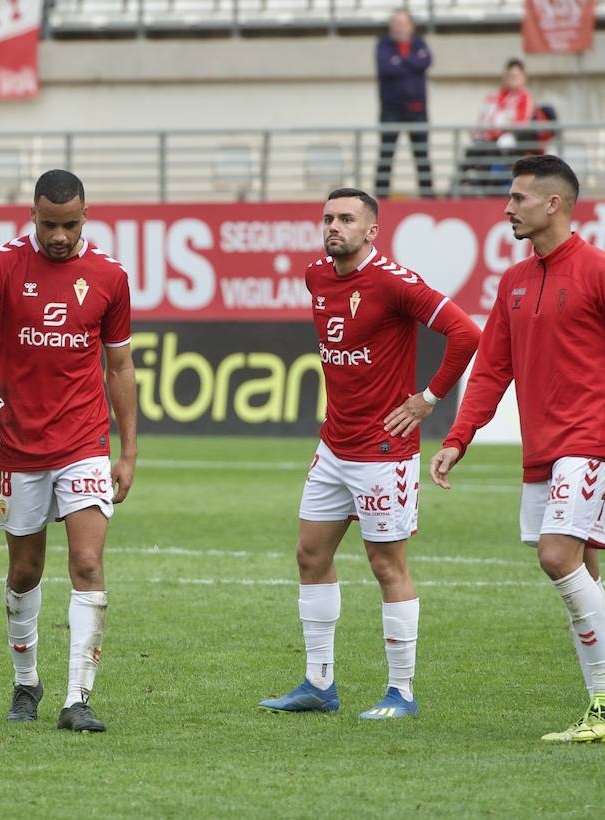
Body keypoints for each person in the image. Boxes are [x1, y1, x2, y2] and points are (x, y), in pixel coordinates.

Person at [258, 187, 481, 721]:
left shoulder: (392, 281)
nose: (334, 226)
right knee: (310, 556)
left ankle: (401, 691)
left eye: (347, 219)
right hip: (334, 445)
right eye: (329, 218)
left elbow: (466, 332)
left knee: (387, 566)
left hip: (384, 451)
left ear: (372, 230)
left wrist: (428, 399)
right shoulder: (316, 275)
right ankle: (318, 683)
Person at [0, 169, 137, 733]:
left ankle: (78, 697)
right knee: (24, 569)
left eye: (71, 224)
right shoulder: (0, 267)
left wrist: (127, 451)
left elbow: (121, 366)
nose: (60, 235)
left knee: (86, 562)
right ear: (33, 214)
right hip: (18, 444)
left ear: (86, 217)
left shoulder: (109, 276)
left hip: (84, 439)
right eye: (50, 223)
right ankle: (26, 681)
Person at [431, 155, 605, 743]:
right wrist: (458, 439)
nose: (507, 208)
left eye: (518, 199)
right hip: (543, 449)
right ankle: (598, 709)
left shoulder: (598, 271)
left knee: (558, 558)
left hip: (590, 441)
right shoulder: (513, 281)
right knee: (584, 571)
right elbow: (491, 371)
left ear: (552, 203)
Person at [374, 9, 434, 199]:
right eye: (395, 23)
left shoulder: (419, 43)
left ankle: (428, 196)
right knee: (386, 154)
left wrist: (401, 61)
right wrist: (411, 63)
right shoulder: (383, 45)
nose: (398, 27)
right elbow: (386, 67)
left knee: (422, 155)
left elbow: (426, 62)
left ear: (411, 26)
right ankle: (380, 196)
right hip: (391, 110)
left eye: (402, 23)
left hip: (417, 110)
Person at [458, 59, 537, 196]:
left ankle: (487, 190)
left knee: (490, 153)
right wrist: (479, 133)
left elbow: (522, 123)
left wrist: (502, 127)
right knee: (471, 153)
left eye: (516, 76)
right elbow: (482, 121)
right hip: (487, 140)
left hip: (507, 143)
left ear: (523, 77)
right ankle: (458, 189)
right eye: (509, 76)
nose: (512, 79)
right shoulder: (493, 96)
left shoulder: (524, 97)